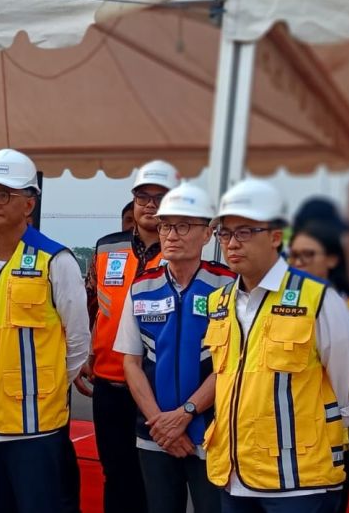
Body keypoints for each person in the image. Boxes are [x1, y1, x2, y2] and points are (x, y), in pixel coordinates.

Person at [204, 178, 349, 512]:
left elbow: (346, 385)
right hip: (234, 473)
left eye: (245, 231)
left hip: (299, 481)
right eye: (225, 233)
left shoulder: (317, 298)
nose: (232, 243)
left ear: (276, 236)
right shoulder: (220, 302)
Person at [0, 149, 90, 513]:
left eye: (3, 194)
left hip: (35, 428)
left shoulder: (54, 260)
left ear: (28, 204)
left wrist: (46, 389)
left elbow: (78, 339)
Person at [113, 183, 236, 513]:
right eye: (166, 225)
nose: (171, 235)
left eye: (184, 226)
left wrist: (185, 415)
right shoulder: (141, 287)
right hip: (154, 436)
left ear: (208, 233)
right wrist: (161, 425)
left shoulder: (229, 287)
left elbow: (230, 363)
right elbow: (131, 363)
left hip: (212, 433)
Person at [79, 159, 180, 513]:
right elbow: (90, 304)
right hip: (110, 383)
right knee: (116, 475)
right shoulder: (107, 248)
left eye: (160, 197)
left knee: (159, 480)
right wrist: (82, 358)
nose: (150, 204)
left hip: (160, 391)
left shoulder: (181, 253)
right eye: (143, 197)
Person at [289, 221, 349, 513]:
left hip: (328, 430)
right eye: (294, 255)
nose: (298, 262)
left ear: (333, 260)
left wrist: (339, 419)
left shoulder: (346, 307)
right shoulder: (282, 302)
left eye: (308, 255)